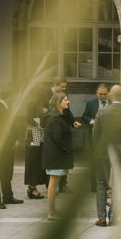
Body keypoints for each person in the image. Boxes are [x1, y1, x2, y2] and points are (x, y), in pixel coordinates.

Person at [92, 85, 121, 227]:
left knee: (101, 183)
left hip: (103, 151)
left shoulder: (102, 111)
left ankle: (101, 217)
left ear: (110, 95)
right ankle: (114, 217)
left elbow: (95, 133)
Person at [42, 91, 76, 220]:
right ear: (58, 103)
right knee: (53, 183)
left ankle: (52, 210)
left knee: (54, 183)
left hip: (56, 155)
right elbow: (58, 138)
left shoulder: (59, 116)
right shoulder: (55, 118)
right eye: (66, 100)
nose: (68, 102)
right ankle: (51, 212)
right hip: (55, 156)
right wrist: (66, 148)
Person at [0, 86, 23, 210]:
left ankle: (8, 196)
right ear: (9, 97)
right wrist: (10, 141)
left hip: (9, 146)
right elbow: (1, 130)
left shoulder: (7, 108)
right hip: (0, 146)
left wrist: (15, 140)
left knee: (7, 171)